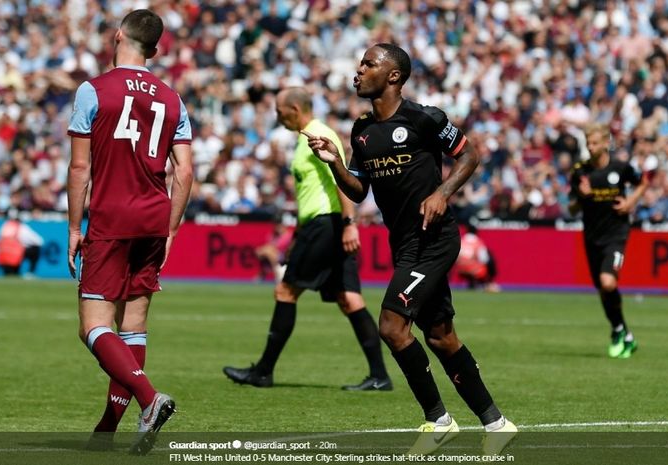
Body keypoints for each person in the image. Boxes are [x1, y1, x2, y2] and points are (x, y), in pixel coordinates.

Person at [304, 44, 516, 456]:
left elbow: (470, 154)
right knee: (440, 337)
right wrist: (334, 163)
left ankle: (438, 420)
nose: (359, 70)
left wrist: (442, 192)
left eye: (369, 64)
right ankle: (497, 423)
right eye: (360, 62)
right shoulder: (361, 130)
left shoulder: (425, 117)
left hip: (434, 240)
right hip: (404, 243)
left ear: (394, 76)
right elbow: (359, 189)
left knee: (392, 326)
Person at [66, 9, 193, 455]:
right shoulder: (173, 98)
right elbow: (186, 169)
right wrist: (172, 225)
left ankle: (149, 398)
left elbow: (81, 165)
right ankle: (107, 432)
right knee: (133, 327)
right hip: (154, 218)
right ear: (155, 50)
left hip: (111, 217)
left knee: (93, 328)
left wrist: (73, 226)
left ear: (118, 35)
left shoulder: (93, 89)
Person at [223, 87, 391, 391]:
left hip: (326, 225)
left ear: (296, 109)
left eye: (279, 111)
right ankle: (380, 376)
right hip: (322, 225)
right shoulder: (305, 138)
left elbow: (342, 179)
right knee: (349, 298)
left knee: (285, 292)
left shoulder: (318, 134)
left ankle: (263, 372)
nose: (277, 116)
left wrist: (350, 223)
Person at [569, 123, 647, 359]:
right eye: (588, 143)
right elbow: (572, 209)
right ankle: (621, 330)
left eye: (594, 143)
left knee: (608, 282)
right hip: (592, 237)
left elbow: (642, 182)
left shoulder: (621, 168)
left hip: (617, 233)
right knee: (603, 290)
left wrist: (630, 202)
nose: (590, 148)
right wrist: (581, 197)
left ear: (605, 143)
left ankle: (620, 330)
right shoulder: (580, 172)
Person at [0, 211, 44, 277]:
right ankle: (30, 273)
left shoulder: (5, 226)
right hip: (14, 255)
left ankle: (14, 271)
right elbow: (39, 241)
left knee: (11, 273)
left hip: (4, 256)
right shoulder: (22, 227)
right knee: (35, 249)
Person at [456, 223, 500, 293]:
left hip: (460, 269)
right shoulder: (478, 242)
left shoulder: (461, 241)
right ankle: (489, 284)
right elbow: (484, 259)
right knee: (490, 261)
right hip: (475, 270)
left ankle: (473, 284)